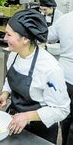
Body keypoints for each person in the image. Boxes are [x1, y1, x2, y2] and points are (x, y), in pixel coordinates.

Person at [0, 9, 70, 144]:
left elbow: (62, 109)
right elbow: (9, 81)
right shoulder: (14, 55)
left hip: (39, 129)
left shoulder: (50, 68)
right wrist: (4, 95)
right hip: (14, 121)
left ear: (25, 39)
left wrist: (27, 116)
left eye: (9, 35)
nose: (4, 38)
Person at [47, 11, 73, 145]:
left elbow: (48, 35)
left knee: (66, 115)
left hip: (64, 77)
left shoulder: (65, 19)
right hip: (65, 76)